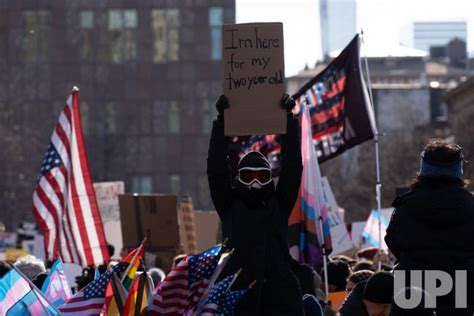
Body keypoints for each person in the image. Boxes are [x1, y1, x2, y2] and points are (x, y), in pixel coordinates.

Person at [207, 94, 303, 315]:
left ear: (271, 177)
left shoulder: (279, 204)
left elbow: (293, 168)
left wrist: (288, 120)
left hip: (279, 296)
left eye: (262, 176)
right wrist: (222, 123)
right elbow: (216, 170)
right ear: (238, 178)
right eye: (248, 176)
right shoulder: (229, 205)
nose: (256, 182)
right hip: (237, 296)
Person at [385, 139, 474, 314]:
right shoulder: (470, 206)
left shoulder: (406, 205)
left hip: (412, 289)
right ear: (458, 170)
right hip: (460, 289)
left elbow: (392, 239)